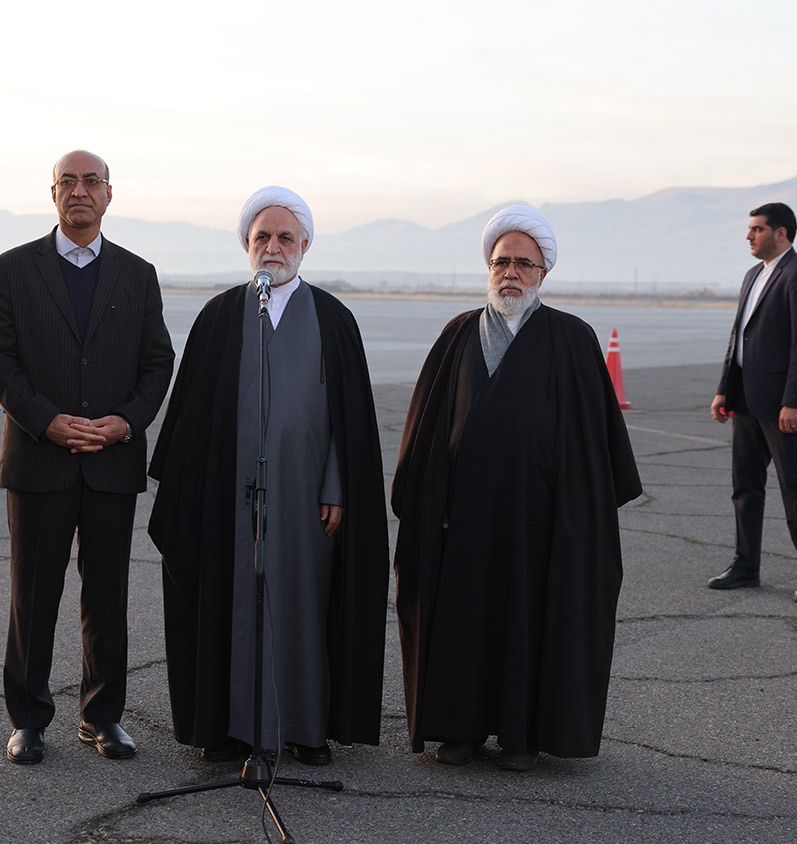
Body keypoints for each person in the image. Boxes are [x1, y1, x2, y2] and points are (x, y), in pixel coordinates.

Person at [392, 205, 641, 771]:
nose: (510, 273)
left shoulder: (572, 338)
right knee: (462, 620)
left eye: (523, 264)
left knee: (529, 624)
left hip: (538, 518)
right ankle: (458, 730)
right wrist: (431, 500)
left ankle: (521, 737)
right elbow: (426, 428)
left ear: (543, 272)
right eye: (501, 262)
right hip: (462, 517)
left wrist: (575, 514)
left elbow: (594, 440)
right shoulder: (458, 334)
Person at [147, 186, 388, 767]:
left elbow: (349, 422)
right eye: (262, 237)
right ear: (246, 245)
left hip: (307, 499)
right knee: (228, 606)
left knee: (303, 605)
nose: (273, 247)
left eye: (284, 237)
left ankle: (305, 727)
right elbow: (191, 419)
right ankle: (228, 728)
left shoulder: (334, 319)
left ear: (304, 244)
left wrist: (337, 487)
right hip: (227, 499)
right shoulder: (219, 316)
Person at [0, 150, 174, 764]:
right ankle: (28, 720)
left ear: (109, 194)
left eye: (92, 181)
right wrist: (47, 421)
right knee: (33, 596)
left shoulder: (138, 274)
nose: (80, 191)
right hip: (39, 459)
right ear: (54, 193)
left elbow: (157, 362)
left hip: (112, 462)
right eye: (68, 181)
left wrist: (126, 422)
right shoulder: (13, 268)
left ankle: (103, 716)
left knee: (108, 596)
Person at [708, 203, 797, 603]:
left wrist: (794, 402)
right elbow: (738, 336)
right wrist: (724, 389)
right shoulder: (752, 275)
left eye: (757, 229)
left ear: (781, 233)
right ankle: (746, 566)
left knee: (796, 490)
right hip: (746, 399)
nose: (749, 236)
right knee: (745, 487)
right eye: (749, 229)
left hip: (782, 406)